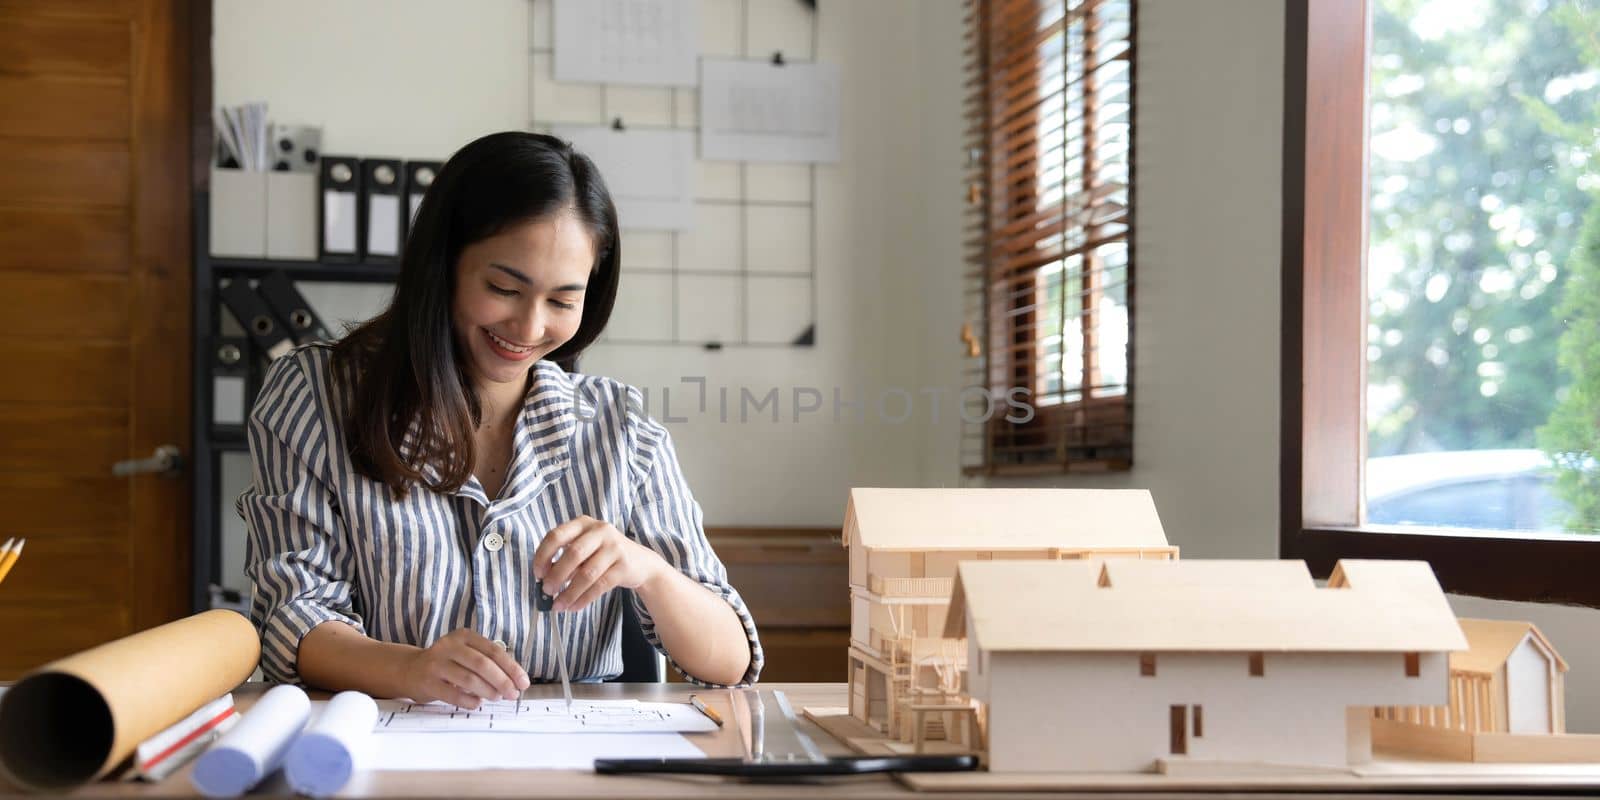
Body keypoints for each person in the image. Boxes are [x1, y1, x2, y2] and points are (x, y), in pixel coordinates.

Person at [239, 131, 762, 707]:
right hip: (388, 748)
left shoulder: (620, 427)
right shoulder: (315, 396)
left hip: (568, 761)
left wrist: (650, 572)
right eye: (504, 288)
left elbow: (730, 662)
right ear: (443, 266)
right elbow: (293, 616)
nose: (530, 327)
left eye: (563, 301)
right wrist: (411, 670)